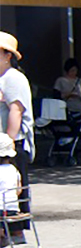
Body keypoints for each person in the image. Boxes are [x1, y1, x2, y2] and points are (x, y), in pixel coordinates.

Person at [0, 32, 34, 204]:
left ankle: (14, 230)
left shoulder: (13, 78)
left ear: (7, 55)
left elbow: (16, 111)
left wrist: (7, 143)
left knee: (12, 193)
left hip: (11, 144)